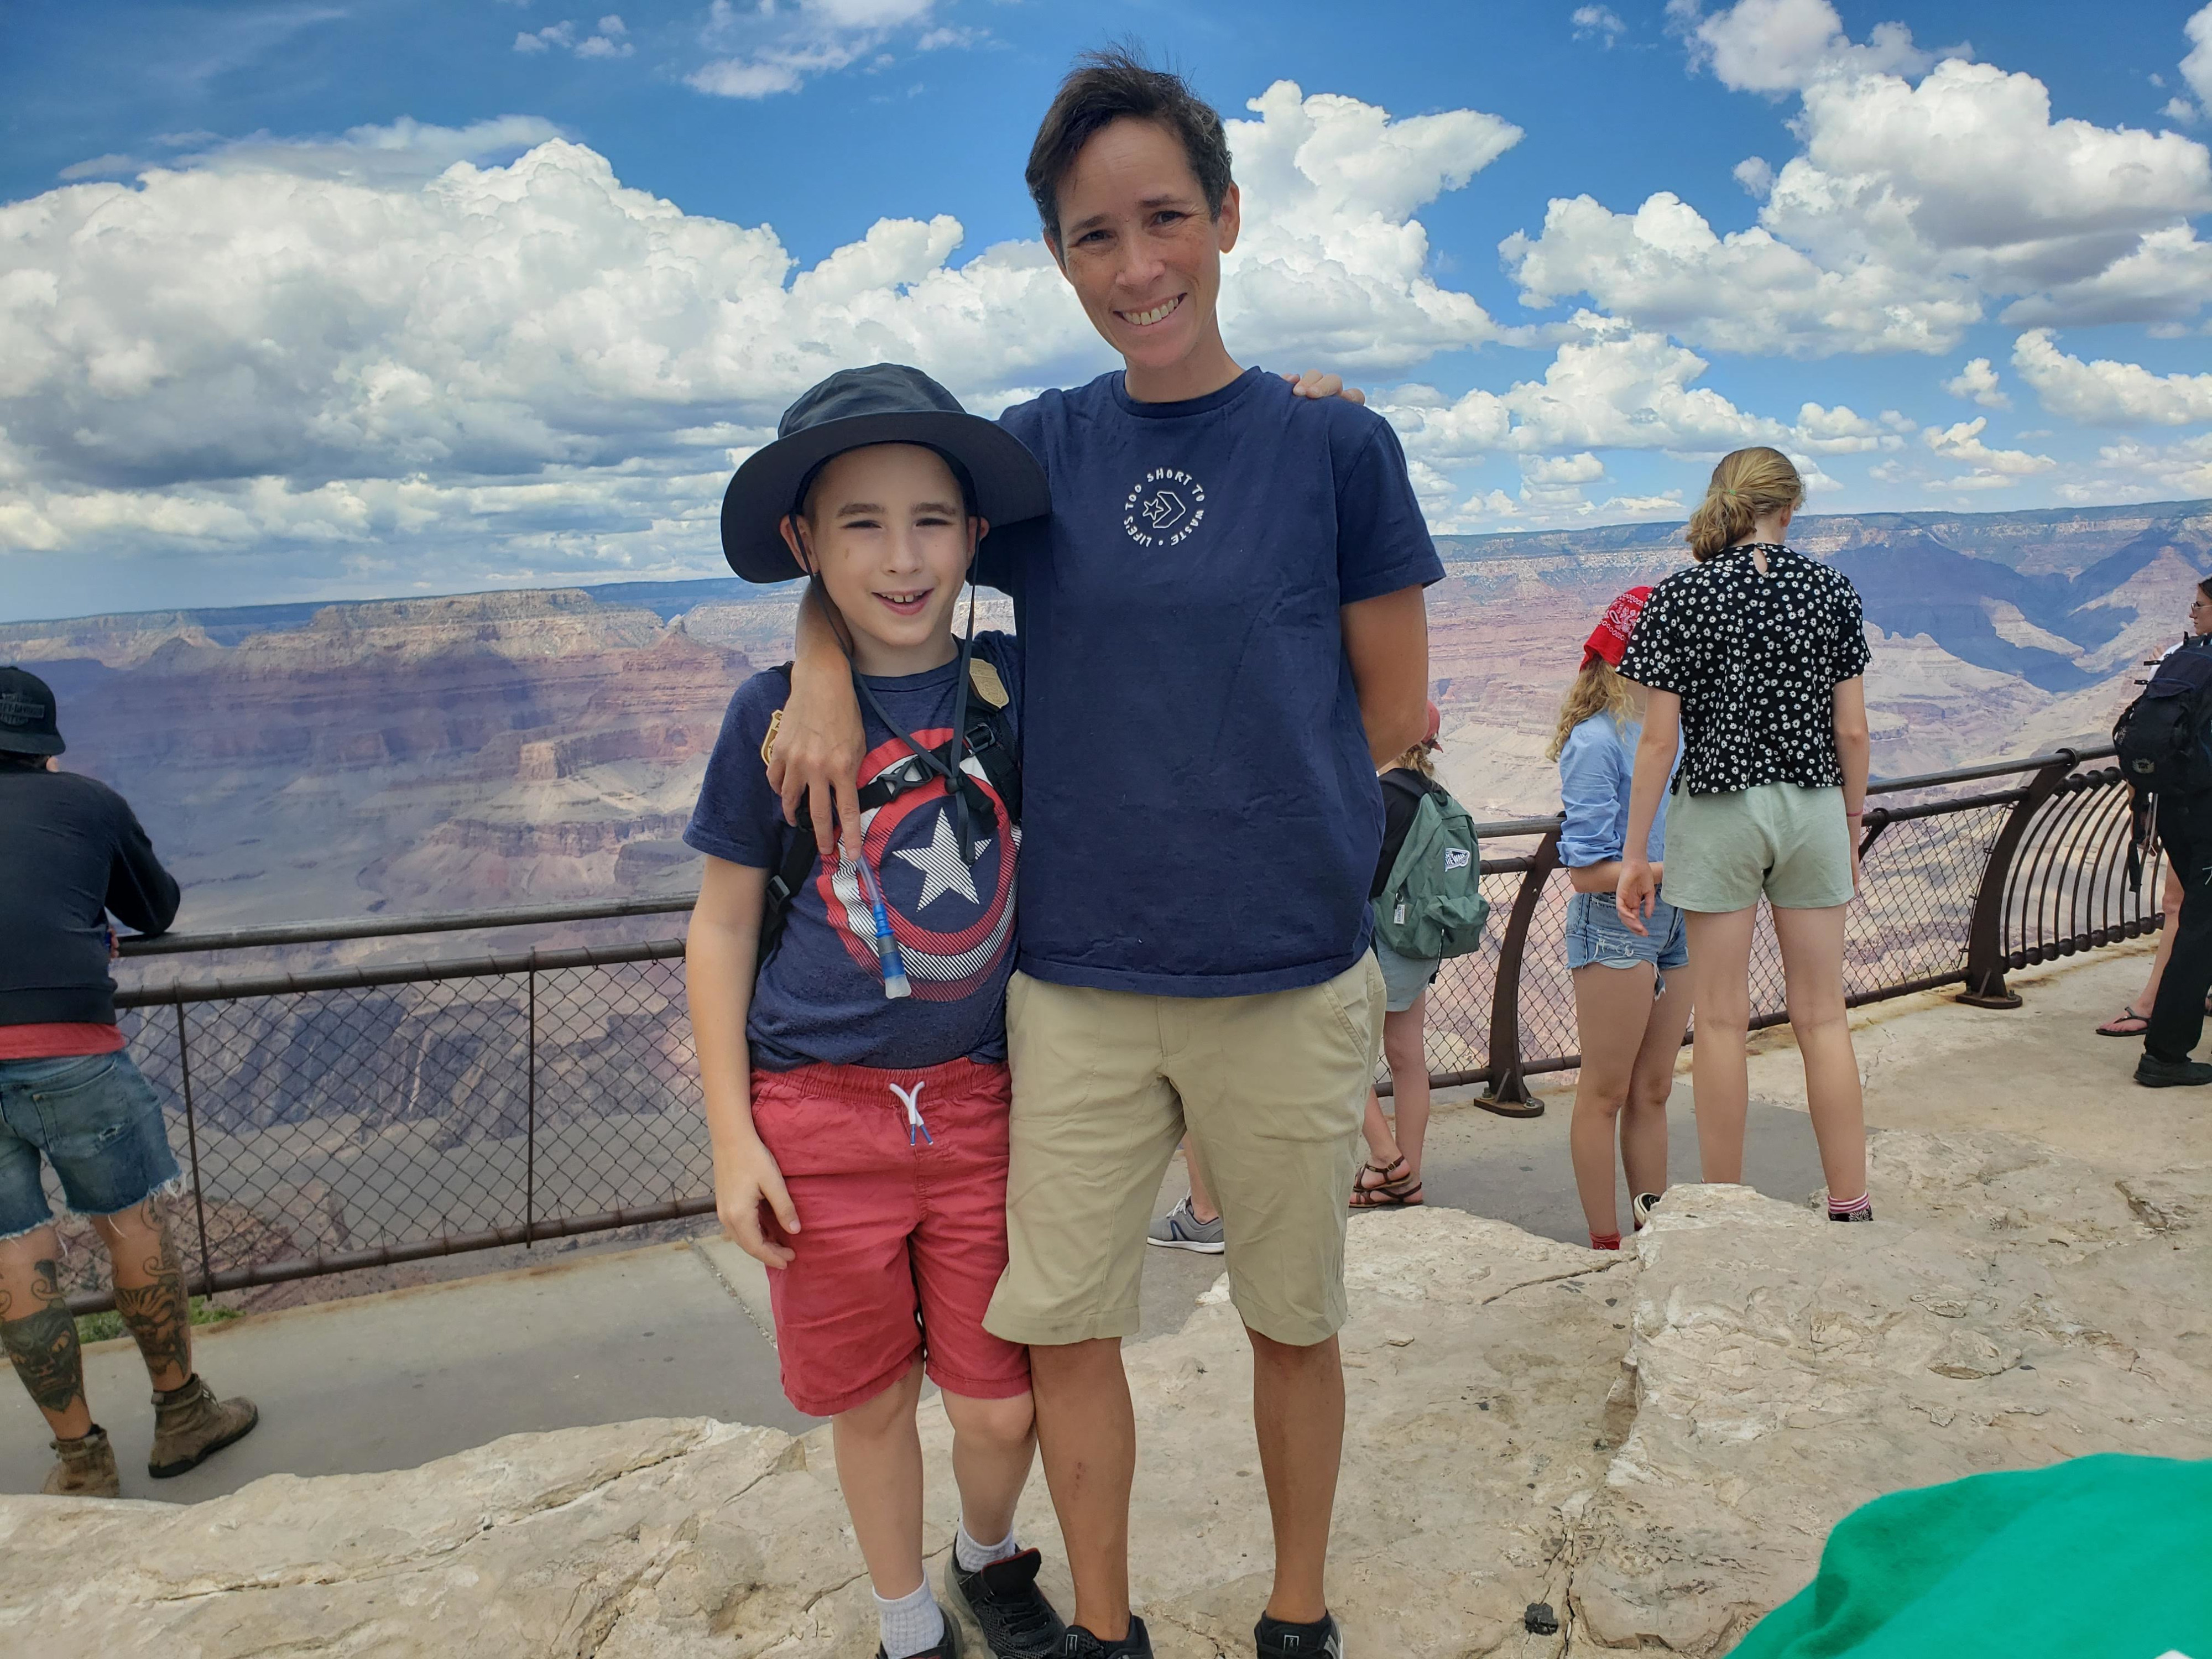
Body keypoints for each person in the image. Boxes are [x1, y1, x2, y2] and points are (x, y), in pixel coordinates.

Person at [768, 50, 1438, 1659]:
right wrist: (813, 660)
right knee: (1067, 1325)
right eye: (1093, 235)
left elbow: (1392, 706)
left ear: (1226, 216)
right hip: (1073, 981)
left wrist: (1247, 808)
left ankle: (1295, 1614)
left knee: (1292, 1317)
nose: (1136, 266)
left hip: (1283, 968)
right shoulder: (1036, 454)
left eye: (1163, 219)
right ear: (1059, 256)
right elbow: (881, 554)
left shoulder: (1334, 450)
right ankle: (1105, 1624)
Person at [683, 366, 1070, 1659]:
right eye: (860, 524)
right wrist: (733, 1139)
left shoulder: (1011, 688)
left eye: (930, 521)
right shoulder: (767, 717)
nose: (901, 558)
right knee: (869, 1399)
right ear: (806, 542)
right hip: (819, 1111)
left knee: (999, 1403)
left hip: (979, 1105)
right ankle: (907, 1619)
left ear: (973, 535)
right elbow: (723, 925)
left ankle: (983, 1552)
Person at [0, 665, 259, 1499]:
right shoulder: (88, 803)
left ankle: (82, 1461)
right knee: (129, 1225)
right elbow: (157, 910)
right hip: (69, 1045)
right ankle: (183, 1416)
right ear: (45, 746)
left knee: (14, 1252)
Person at [1615, 447, 1875, 1223]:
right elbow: (1852, 732)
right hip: (1813, 804)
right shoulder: (1830, 588)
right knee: (1821, 1014)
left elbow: (1658, 741)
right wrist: (1849, 822)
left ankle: (1729, 1211)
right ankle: (1851, 1202)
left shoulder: (1680, 595)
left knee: (1722, 1018)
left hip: (1719, 809)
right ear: (1788, 509)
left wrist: (1635, 854)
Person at [1550, 591, 1693, 1250]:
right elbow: (1585, 872)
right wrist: (1680, 865)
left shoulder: (1676, 728)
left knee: (1654, 1089)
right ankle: (1605, 1243)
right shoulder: (1596, 741)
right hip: (1615, 924)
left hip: (1680, 920)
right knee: (1605, 1092)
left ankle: (1650, 1235)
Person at [2098, 579, 2212, 1037]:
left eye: (2199, 605)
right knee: (2192, 913)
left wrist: (2141, 810)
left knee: (2184, 911)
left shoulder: (2181, 658)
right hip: (2196, 802)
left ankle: (2155, 1013)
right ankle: (2165, 1021)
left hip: (2182, 804)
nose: (2192, 614)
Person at [1348, 702, 1449, 1208]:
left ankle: (1388, 1163)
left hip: (1379, 944)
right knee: (1409, 1060)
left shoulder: (1382, 796)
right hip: (1419, 946)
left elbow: (1359, 873)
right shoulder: (1436, 796)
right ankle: (1411, 1174)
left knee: (1347, 1059)